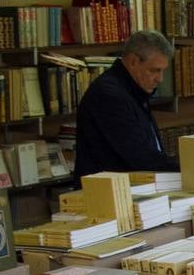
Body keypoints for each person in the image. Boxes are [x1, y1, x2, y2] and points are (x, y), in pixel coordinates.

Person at [74, 30, 179, 176]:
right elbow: (138, 155)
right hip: (109, 191)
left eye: (162, 71)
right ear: (133, 61)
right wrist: (185, 169)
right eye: (154, 70)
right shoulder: (109, 95)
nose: (160, 79)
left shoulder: (134, 90)